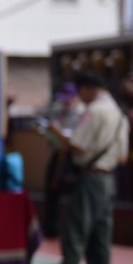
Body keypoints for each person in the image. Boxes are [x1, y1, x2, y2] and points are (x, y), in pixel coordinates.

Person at [31, 73, 129, 264]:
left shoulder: (93, 111)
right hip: (108, 180)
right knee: (100, 239)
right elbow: (123, 157)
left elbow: (78, 144)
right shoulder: (119, 115)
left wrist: (55, 133)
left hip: (89, 180)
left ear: (86, 89)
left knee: (75, 236)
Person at [38, 82, 85, 237]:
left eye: (68, 99)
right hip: (58, 155)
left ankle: (73, 231)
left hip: (72, 159)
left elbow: (74, 138)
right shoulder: (57, 108)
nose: (65, 102)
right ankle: (51, 229)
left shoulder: (81, 113)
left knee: (74, 194)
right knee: (52, 191)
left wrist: (58, 132)